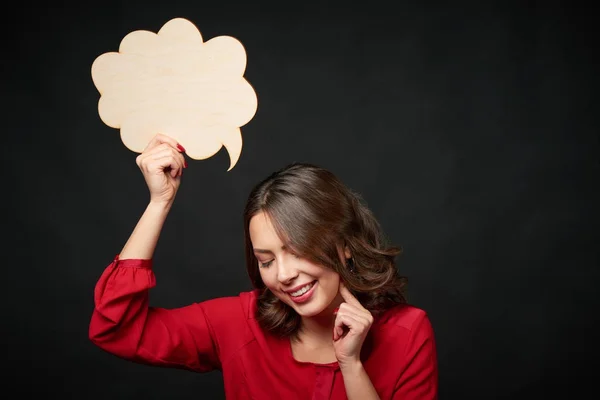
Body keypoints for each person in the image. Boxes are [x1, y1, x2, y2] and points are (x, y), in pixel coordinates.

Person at [89, 133, 438, 399]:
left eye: (298, 250)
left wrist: (352, 366)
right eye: (266, 260)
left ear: (344, 246)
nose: (284, 275)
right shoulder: (240, 323)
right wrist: (159, 202)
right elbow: (117, 330)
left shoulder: (406, 333)